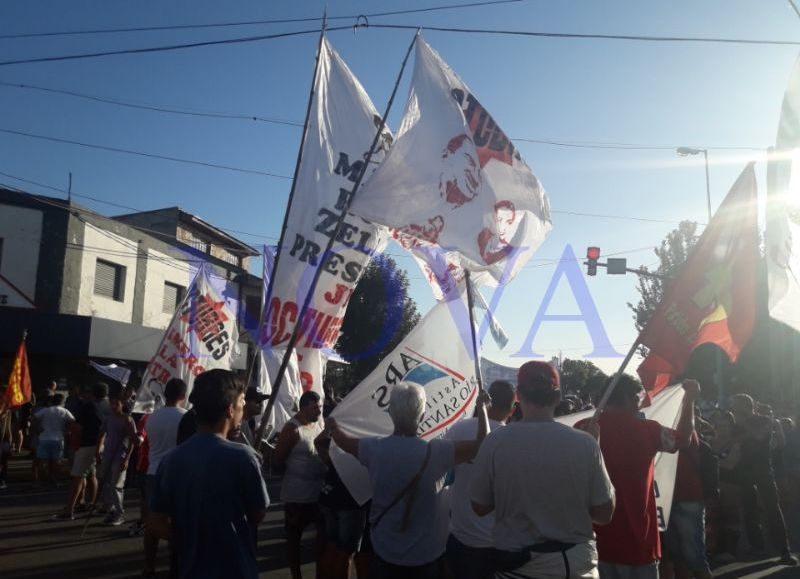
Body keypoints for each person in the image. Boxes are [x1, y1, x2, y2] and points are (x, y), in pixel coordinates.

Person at [328, 382, 491, 579]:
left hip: (384, 552)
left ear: (390, 413)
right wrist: (482, 409)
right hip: (426, 556)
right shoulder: (439, 452)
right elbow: (484, 445)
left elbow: (342, 441)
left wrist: (333, 427)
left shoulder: (373, 449)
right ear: (422, 416)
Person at [470, 362, 615, 579]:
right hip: (575, 567)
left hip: (518, 568)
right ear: (557, 397)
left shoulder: (494, 442)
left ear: (518, 395)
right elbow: (604, 514)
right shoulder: (586, 444)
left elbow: (480, 506)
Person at [149, 369, 270, 579]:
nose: (244, 407)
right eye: (242, 401)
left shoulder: (171, 460)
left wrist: (191, 538)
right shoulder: (244, 457)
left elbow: (156, 523)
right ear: (230, 410)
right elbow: (257, 513)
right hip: (235, 568)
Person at [577, 376, 699, 579]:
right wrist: (690, 400)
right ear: (627, 398)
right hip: (638, 542)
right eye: (637, 398)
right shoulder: (648, 430)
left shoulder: (582, 428)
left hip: (595, 542)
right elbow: (684, 439)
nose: (640, 404)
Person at [444, 379, 516, 579]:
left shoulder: (458, 430)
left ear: (487, 402)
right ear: (512, 409)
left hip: (460, 536)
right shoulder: (515, 440)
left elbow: (443, 473)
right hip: (499, 544)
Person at [731, 394, 797, 565]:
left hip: (763, 470)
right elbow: (733, 440)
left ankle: (784, 551)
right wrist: (745, 428)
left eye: (737, 406)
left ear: (747, 406)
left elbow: (761, 436)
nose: (734, 409)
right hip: (744, 471)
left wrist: (745, 425)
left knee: (772, 510)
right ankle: (757, 547)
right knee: (749, 511)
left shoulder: (763, 419)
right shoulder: (737, 423)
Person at [273, 391, 328, 579]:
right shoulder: (292, 429)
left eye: (320, 407)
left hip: (317, 494)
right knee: (294, 540)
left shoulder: (318, 425)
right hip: (296, 496)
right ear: (304, 407)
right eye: (315, 408)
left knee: (322, 536)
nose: (319, 411)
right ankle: (296, 576)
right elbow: (278, 460)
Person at [142, 378, 187, 578]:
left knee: (153, 522)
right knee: (176, 522)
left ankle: (148, 566)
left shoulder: (153, 417)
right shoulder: (185, 417)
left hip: (153, 472)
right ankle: (174, 567)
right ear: (183, 396)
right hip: (177, 474)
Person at [53, 382, 109, 521]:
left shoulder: (89, 406)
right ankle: (91, 504)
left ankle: (69, 510)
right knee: (91, 474)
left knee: (77, 476)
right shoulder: (110, 405)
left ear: (92, 393)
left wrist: (71, 437)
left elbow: (78, 426)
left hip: (87, 444)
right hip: (102, 444)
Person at [96, 390, 137, 526]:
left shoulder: (128, 419)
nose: (114, 406)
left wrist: (127, 459)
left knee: (116, 485)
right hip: (107, 454)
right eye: (112, 404)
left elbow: (132, 441)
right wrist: (98, 448)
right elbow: (102, 433)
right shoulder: (108, 418)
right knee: (106, 484)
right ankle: (110, 509)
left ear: (122, 404)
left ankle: (120, 513)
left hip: (120, 456)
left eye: (116, 404)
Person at [33, 393, 75, 485]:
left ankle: (41, 480)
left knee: (43, 461)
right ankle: (53, 479)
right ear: (62, 402)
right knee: (56, 461)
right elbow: (73, 420)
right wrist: (67, 430)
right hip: (58, 438)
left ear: (52, 401)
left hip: (44, 438)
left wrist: (38, 428)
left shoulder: (45, 410)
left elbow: (34, 417)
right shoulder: (64, 411)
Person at [0, 385, 12, 489]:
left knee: (4, 459)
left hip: (4, 437)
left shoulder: (7, 407)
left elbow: (8, 425)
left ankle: (3, 479)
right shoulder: (6, 406)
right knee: (3, 459)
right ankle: (2, 479)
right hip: (4, 437)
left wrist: (9, 439)